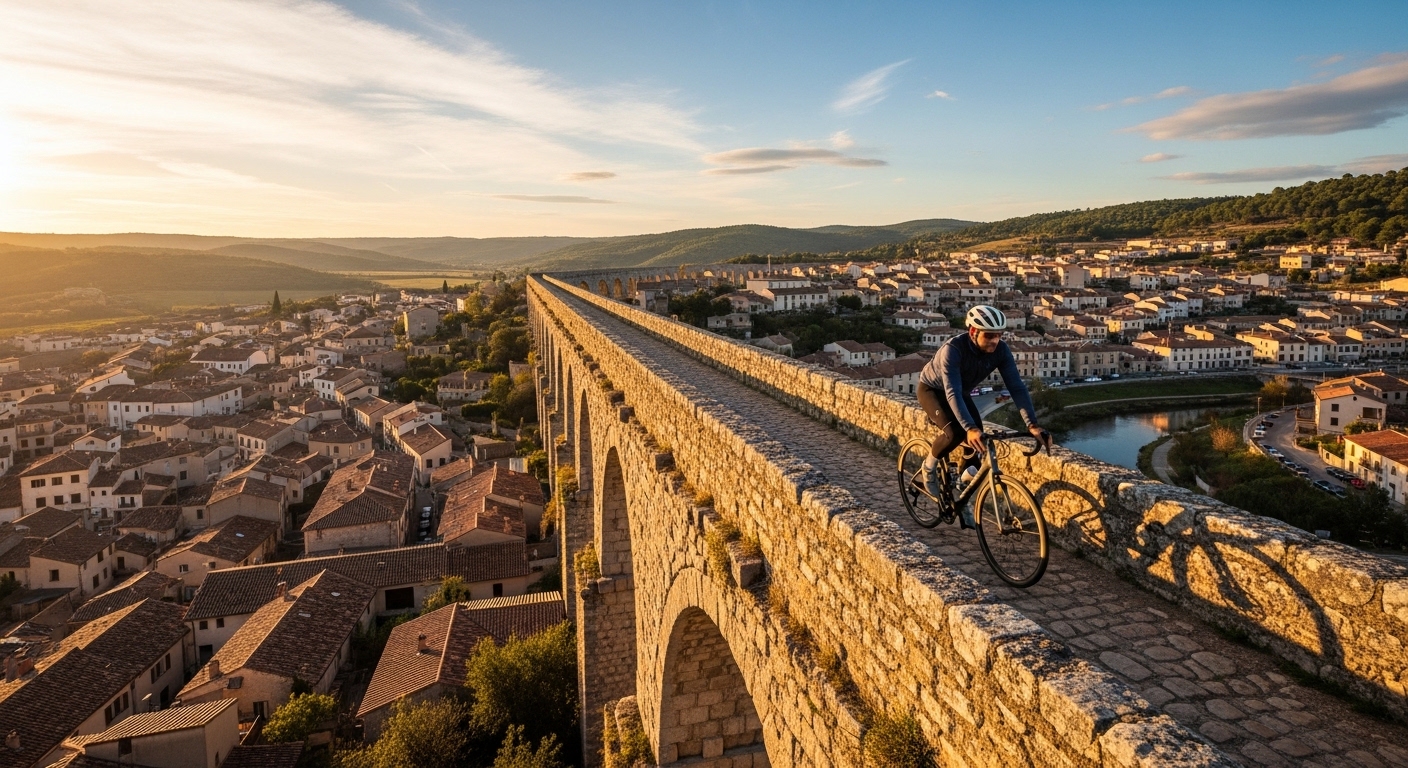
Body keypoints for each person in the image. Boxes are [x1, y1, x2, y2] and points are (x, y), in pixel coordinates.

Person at [916, 305, 1049, 526]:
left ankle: (962, 497)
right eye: (989, 335)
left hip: (961, 392)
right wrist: (969, 428)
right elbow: (952, 392)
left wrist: (1033, 424)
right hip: (933, 390)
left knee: (978, 449)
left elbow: (1016, 387)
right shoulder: (953, 350)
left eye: (999, 335)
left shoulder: (1001, 351)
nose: (995, 341)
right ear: (973, 332)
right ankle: (929, 468)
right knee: (956, 432)